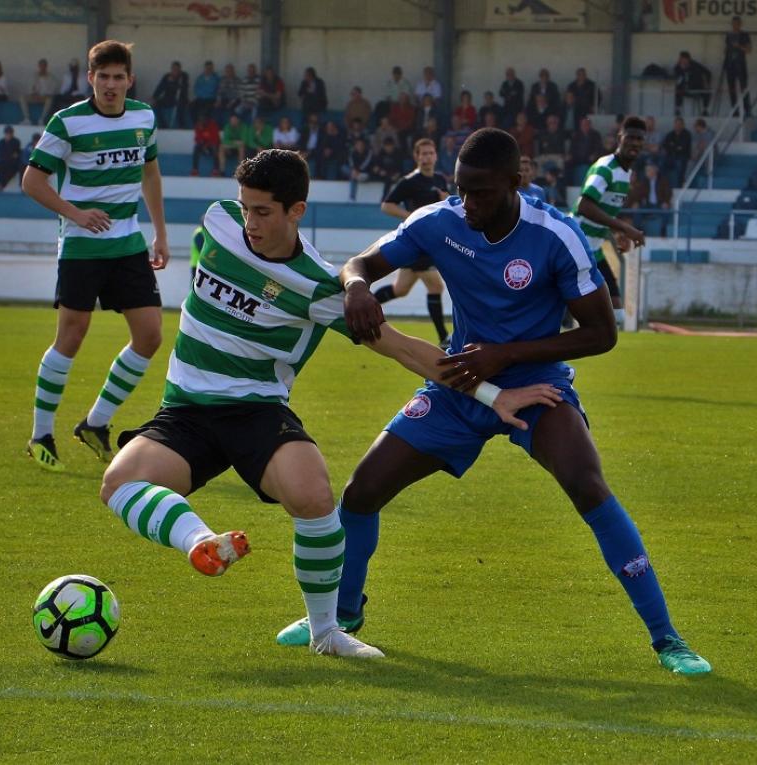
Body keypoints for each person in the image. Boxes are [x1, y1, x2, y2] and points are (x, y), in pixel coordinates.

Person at [274, 128, 712, 675]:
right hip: (460, 384)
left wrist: (506, 355)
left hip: (538, 387)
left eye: (482, 192)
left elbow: (601, 333)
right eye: (462, 190)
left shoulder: (556, 235)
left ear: (516, 182)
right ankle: (343, 614)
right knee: (362, 491)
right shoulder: (440, 221)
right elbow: (360, 263)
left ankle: (667, 638)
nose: (469, 204)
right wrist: (358, 287)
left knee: (587, 484)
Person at [98, 148, 555, 658]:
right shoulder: (217, 222)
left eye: (263, 211)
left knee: (315, 498)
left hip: (257, 412)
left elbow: (406, 349)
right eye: (245, 206)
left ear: (297, 210)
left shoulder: (318, 288)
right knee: (119, 483)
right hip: (186, 408)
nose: (249, 221)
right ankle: (202, 544)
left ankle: (326, 633)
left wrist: (495, 394)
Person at [22, 40, 169, 472]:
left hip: (128, 244)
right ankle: (40, 434)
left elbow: (150, 173)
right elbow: (32, 181)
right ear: (90, 79)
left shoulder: (144, 117)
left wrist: (160, 234)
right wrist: (76, 214)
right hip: (82, 248)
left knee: (150, 336)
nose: (109, 84)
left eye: (117, 77)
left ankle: (95, 423)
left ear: (129, 79)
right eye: (101, 76)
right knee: (72, 335)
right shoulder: (68, 123)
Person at [572, 116, 648, 326]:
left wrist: (617, 234)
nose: (634, 143)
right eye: (630, 137)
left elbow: (604, 210)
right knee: (586, 313)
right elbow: (584, 206)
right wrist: (625, 227)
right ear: (619, 138)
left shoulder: (626, 173)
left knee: (617, 313)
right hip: (576, 244)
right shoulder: (605, 168)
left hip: (594, 249)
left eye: (639, 139)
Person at [375, 137, 451, 345]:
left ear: (436, 155)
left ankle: (361, 307)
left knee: (401, 289)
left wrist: (446, 198)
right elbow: (387, 205)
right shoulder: (409, 181)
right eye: (423, 154)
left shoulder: (440, 179)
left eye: (430, 153)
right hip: (418, 241)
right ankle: (444, 338)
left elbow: (446, 205)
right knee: (435, 287)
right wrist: (410, 215)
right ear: (416, 157)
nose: (427, 157)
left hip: (430, 242)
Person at [627, 161, 672, 236]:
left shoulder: (663, 181)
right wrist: (636, 202)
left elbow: (668, 193)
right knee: (637, 210)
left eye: (649, 170)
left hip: (659, 204)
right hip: (648, 205)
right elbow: (639, 194)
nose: (646, 172)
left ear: (655, 170)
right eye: (646, 170)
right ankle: (639, 230)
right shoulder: (644, 181)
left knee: (666, 210)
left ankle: (663, 231)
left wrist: (666, 202)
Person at [723, 16, 752, 116]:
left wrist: (739, 46)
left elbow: (749, 50)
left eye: (737, 23)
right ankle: (734, 110)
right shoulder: (728, 35)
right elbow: (726, 49)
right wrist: (727, 50)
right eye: (733, 23)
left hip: (740, 64)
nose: (735, 25)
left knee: (744, 86)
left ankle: (747, 109)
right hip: (730, 64)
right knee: (731, 88)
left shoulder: (744, 35)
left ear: (740, 24)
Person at [19, 58, 58, 125]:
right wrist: (33, 93)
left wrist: (44, 95)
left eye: (44, 66)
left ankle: (42, 119)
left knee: (50, 100)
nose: (42, 67)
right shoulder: (34, 76)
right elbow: (30, 87)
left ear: (46, 66)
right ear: (39, 66)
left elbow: (52, 89)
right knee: (22, 98)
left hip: (44, 97)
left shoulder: (51, 77)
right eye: (41, 66)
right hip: (35, 96)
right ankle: (27, 119)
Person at [151, 61, 188, 128]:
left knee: (181, 108)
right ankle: (162, 125)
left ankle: (181, 126)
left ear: (180, 69)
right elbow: (160, 87)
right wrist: (154, 97)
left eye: (177, 69)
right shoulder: (167, 76)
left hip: (179, 99)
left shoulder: (184, 76)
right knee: (155, 105)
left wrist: (173, 82)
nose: (175, 71)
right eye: (173, 69)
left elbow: (183, 88)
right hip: (167, 98)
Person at [673, 51, 711, 117]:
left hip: (697, 88)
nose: (681, 61)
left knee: (707, 91)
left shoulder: (695, 65)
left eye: (683, 59)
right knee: (678, 89)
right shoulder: (678, 67)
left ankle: (705, 110)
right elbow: (676, 76)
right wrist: (682, 70)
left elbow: (708, 73)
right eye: (680, 59)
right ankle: (677, 109)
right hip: (685, 89)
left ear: (688, 59)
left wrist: (706, 83)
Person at [660, 116, 692, 188]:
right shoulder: (670, 134)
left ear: (683, 125)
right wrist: (675, 147)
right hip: (670, 156)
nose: (677, 126)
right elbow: (665, 146)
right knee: (661, 163)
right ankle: (663, 185)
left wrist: (672, 146)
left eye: (679, 124)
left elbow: (682, 148)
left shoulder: (687, 134)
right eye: (676, 124)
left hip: (682, 157)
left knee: (679, 165)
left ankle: (678, 187)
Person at [0, 125, 21, 192]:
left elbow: (15, 155)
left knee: (10, 169)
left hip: (13, 163)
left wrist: (9, 155)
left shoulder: (16, 141)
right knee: (0, 166)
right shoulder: (1, 141)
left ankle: (1, 185)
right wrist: (9, 155)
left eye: (9, 133)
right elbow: (1, 153)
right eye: (7, 133)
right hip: (3, 161)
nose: (8, 134)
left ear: (12, 133)